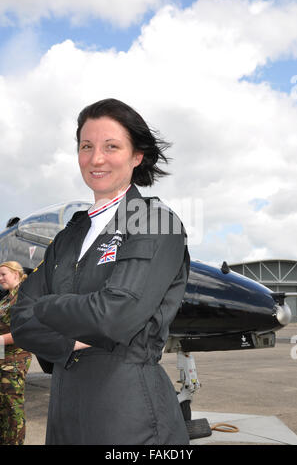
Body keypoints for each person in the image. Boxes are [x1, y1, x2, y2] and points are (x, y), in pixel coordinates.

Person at [10, 98, 190, 445]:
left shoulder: (156, 222)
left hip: (128, 414)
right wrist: (70, 336)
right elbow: (20, 320)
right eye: (86, 146)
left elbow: (114, 316)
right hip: (64, 414)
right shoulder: (68, 236)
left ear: (136, 156)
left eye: (112, 146)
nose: (96, 158)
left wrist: (46, 308)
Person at [0, 261, 32, 445]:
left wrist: (2, 340)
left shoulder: (23, 296)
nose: (0, 278)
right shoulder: (6, 299)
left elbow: (27, 329)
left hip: (15, 360)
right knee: (3, 407)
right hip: (3, 357)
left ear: (16, 274)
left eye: (3, 274)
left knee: (12, 408)